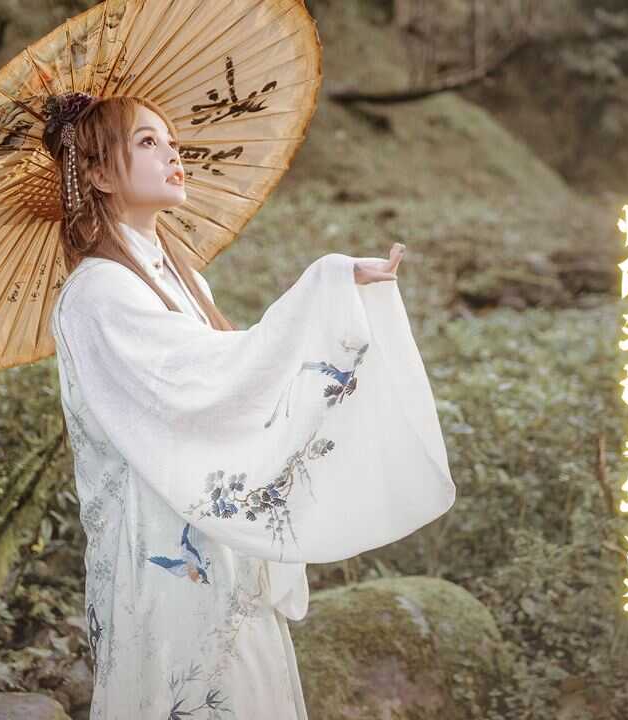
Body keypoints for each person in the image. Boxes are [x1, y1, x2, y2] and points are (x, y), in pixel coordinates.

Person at [44, 92, 455, 719]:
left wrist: (338, 287)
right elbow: (218, 377)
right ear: (98, 173)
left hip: (212, 529)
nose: (172, 153)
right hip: (157, 540)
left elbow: (230, 379)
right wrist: (322, 285)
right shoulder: (98, 293)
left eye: (171, 140)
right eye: (147, 142)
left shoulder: (182, 278)